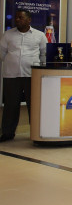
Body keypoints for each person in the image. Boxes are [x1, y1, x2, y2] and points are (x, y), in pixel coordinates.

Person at [0, 10, 47, 142]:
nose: (17, 19)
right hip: (11, 75)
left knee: (34, 105)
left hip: (32, 75)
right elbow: (2, 53)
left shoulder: (39, 35)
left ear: (29, 20)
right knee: (10, 105)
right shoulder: (8, 35)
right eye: (16, 17)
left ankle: (36, 133)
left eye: (21, 17)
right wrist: (13, 61)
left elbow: (44, 54)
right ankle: (7, 133)